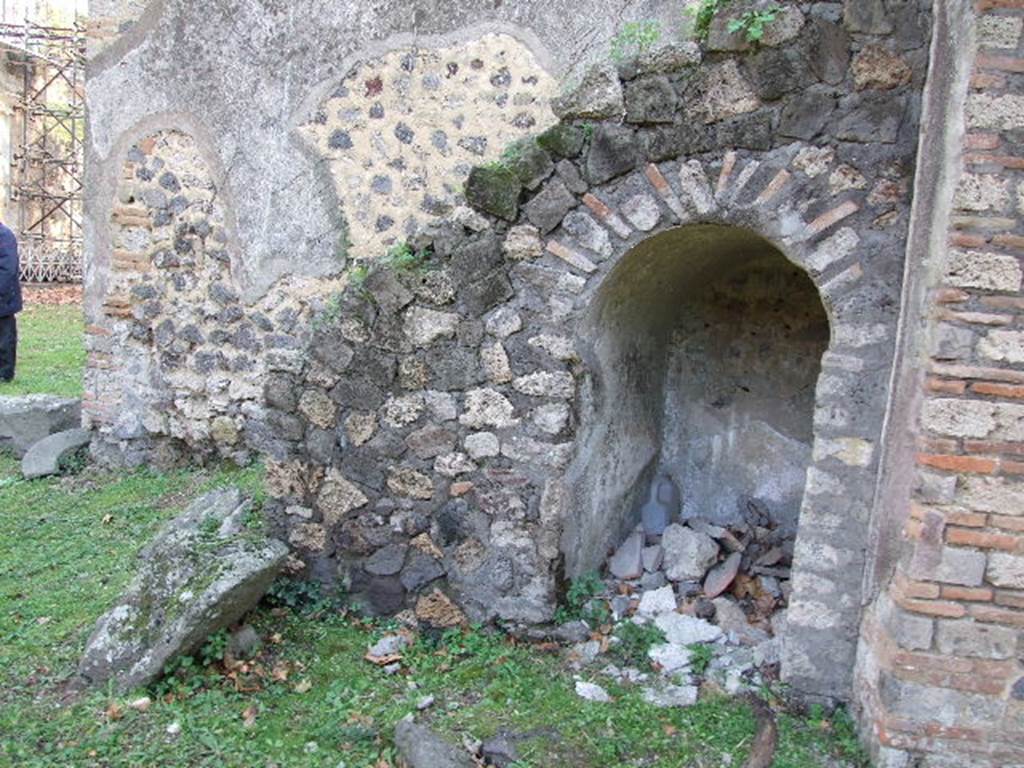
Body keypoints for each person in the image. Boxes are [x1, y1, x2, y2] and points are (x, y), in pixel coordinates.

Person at [0, 221, 22, 382]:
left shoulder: (5, 235)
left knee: (5, 337)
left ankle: (5, 373)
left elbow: (8, 268)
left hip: (4, 296)